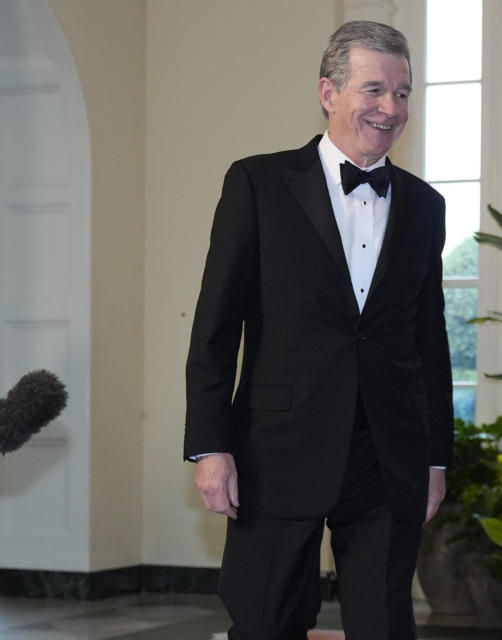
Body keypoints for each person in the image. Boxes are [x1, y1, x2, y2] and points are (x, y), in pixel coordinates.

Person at [183, 20, 453, 640]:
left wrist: (437, 457)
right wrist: (210, 445)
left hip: (387, 453)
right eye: (374, 90)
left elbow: (428, 342)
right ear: (328, 93)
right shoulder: (256, 183)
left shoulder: (425, 206)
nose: (391, 108)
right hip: (275, 448)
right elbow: (216, 327)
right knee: (265, 622)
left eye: (404, 92)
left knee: (385, 626)